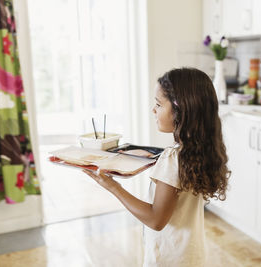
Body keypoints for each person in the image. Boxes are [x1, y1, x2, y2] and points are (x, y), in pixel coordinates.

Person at [83, 67, 230, 267]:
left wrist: (113, 187)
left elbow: (156, 220)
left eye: (159, 104)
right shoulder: (198, 152)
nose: (153, 110)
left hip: (168, 261)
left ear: (180, 110)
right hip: (190, 257)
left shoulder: (173, 158)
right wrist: (157, 156)